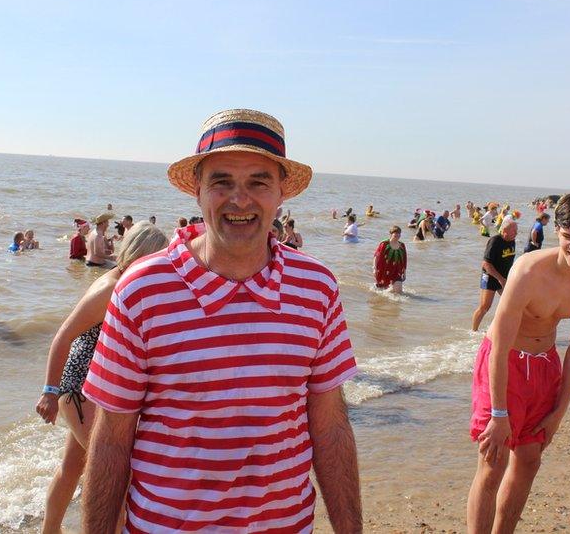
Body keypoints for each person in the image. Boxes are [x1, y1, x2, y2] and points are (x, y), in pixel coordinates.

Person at [78, 109, 361, 533]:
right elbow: (112, 438)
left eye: (258, 182)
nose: (240, 199)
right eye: (222, 181)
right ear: (198, 192)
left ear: (282, 192)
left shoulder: (316, 286)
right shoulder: (142, 288)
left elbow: (331, 424)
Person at [467, 191, 570, 533]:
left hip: (545, 366)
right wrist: (500, 414)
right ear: (557, 233)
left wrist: (558, 413)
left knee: (530, 461)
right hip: (503, 362)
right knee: (493, 461)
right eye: (567, 236)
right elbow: (500, 345)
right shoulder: (528, 270)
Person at [35, 222, 168, 534]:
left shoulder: (130, 282)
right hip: (81, 390)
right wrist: (49, 392)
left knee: (71, 469)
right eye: (158, 257)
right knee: (117, 478)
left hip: (95, 387)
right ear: (141, 254)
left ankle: (49, 530)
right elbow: (62, 337)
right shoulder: (110, 288)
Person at [471, 217, 517, 331]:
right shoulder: (495, 241)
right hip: (490, 277)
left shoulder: (512, 241)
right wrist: (500, 279)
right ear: (504, 230)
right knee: (485, 307)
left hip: (504, 278)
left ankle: (502, 329)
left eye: (517, 231)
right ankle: (474, 331)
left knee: (512, 304)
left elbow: (509, 262)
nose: (516, 233)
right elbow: (486, 264)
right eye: (514, 231)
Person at [374, 226, 407, 293]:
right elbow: (376, 256)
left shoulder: (402, 245)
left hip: (397, 270)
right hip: (384, 269)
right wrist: (374, 269)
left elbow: (404, 259)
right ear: (391, 234)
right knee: (383, 289)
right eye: (395, 233)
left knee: (399, 291)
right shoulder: (384, 244)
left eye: (399, 233)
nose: (397, 235)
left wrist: (404, 272)